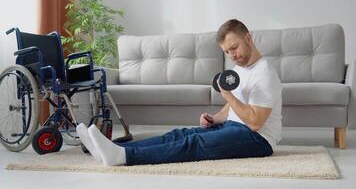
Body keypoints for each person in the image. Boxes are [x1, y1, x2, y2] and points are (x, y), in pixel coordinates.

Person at [76, 19, 282, 166]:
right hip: (235, 127)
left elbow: (255, 122)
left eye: (234, 48)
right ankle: (111, 149)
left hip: (258, 139)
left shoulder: (264, 73)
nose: (232, 55)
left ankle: (124, 157)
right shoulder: (241, 70)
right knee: (181, 134)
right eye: (227, 52)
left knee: (193, 143)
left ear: (248, 38)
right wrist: (216, 118)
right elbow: (236, 105)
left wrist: (226, 94)